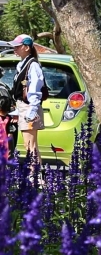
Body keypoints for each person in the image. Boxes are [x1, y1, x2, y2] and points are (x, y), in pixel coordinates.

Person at [8, 35, 44, 163]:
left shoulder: (32, 65)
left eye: (17, 46)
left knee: (30, 146)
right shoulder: (22, 64)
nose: (15, 49)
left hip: (29, 107)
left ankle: (35, 179)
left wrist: (32, 111)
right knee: (30, 146)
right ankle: (38, 179)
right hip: (24, 107)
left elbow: (35, 89)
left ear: (27, 47)